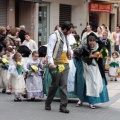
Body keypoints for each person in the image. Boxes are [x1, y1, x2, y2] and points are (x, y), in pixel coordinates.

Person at [74, 33, 109, 109]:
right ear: (88, 41)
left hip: (94, 67)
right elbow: (76, 53)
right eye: (90, 42)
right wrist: (91, 55)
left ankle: (92, 101)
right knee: (82, 82)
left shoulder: (100, 46)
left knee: (94, 82)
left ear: (96, 41)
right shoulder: (83, 46)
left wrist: (99, 55)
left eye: (93, 42)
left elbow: (102, 56)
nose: (92, 44)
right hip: (83, 66)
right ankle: (80, 100)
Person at [45, 22, 72, 113]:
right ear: (64, 29)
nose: (69, 33)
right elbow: (49, 50)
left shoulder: (66, 36)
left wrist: (69, 52)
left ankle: (63, 106)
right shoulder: (54, 36)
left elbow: (66, 47)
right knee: (55, 85)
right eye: (68, 31)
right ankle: (48, 103)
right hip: (55, 63)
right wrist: (51, 63)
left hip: (65, 63)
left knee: (64, 85)